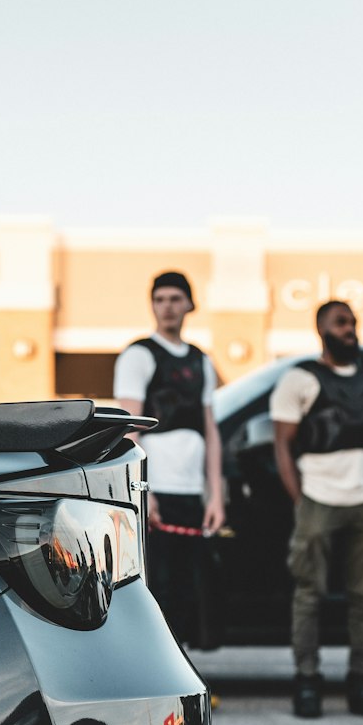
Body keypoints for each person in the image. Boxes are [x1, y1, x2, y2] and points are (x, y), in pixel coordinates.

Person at [271, 300, 363, 720]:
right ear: (321, 328)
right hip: (318, 496)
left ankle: (362, 682)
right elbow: (282, 445)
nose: (350, 330)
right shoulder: (300, 378)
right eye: (341, 323)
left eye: (353, 323)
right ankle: (307, 682)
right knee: (309, 593)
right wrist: (300, 499)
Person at [113, 271, 224, 647]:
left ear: (190, 304)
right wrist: (144, 491)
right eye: (160, 299)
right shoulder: (140, 354)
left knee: (190, 593)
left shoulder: (201, 362)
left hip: (191, 492)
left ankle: (188, 680)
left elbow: (211, 431)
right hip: (155, 493)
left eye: (175, 299)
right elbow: (130, 428)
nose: (167, 307)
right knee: (154, 591)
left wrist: (216, 495)